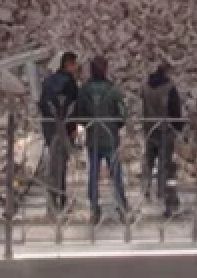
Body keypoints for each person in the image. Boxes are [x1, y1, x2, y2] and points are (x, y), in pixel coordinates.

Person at [76, 56, 129, 223]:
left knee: (93, 173)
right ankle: (121, 205)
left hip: (93, 138)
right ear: (105, 69)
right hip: (110, 138)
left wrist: (88, 125)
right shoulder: (113, 90)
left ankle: (94, 207)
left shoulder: (84, 90)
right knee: (116, 173)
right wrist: (115, 126)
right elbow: (122, 113)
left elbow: (79, 113)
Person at [37, 51, 80, 214]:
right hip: (64, 127)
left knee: (53, 163)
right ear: (69, 64)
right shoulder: (70, 83)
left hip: (49, 126)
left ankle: (52, 199)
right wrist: (73, 129)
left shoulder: (48, 81)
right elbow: (73, 108)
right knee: (61, 164)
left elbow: (42, 104)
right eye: (74, 65)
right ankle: (60, 200)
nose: (76, 68)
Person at [141, 61, 184, 217]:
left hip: (149, 130)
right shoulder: (169, 88)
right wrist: (179, 128)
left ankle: (145, 192)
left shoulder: (145, 87)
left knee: (149, 163)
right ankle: (165, 199)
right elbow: (175, 110)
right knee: (165, 167)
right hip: (165, 131)